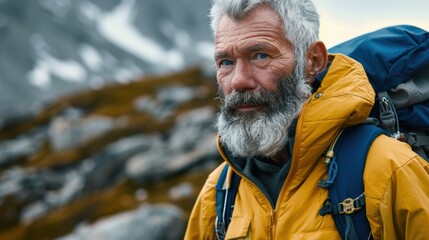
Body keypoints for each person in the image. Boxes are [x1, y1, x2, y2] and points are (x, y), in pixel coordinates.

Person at [184, 0, 429, 239]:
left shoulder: (388, 168)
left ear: (313, 61)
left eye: (260, 56)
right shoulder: (219, 191)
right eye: (225, 62)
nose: (238, 81)